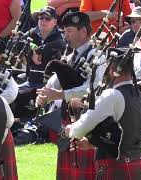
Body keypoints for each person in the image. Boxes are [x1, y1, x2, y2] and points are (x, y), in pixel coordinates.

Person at [36, 11, 105, 180]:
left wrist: (59, 94)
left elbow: (93, 87)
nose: (65, 36)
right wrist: (45, 95)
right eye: (65, 31)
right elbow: (55, 81)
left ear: (83, 31)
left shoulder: (97, 56)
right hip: (69, 119)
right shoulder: (70, 56)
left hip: (88, 119)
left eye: (69, 31)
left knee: (84, 171)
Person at [65, 47, 141, 179]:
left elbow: (82, 127)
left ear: (112, 69)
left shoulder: (111, 95)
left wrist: (71, 129)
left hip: (116, 169)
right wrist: (93, 144)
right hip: (138, 166)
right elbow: (123, 135)